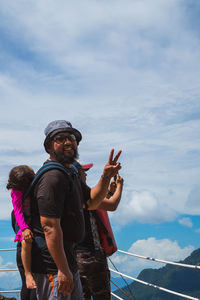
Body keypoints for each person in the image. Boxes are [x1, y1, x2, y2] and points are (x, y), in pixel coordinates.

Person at [30, 120, 122, 300]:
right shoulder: (52, 178)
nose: (68, 142)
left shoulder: (69, 174)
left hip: (68, 260)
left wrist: (105, 177)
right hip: (54, 266)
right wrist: (63, 270)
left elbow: (92, 202)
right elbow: (49, 227)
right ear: (49, 146)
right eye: (60, 138)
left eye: (71, 137)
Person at [74, 161, 124, 300]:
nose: (85, 174)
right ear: (77, 175)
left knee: (81, 295)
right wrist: (120, 187)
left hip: (75, 257)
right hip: (92, 255)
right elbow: (112, 205)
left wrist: (108, 192)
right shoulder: (83, 195)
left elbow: (95, 207)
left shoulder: (70, 196)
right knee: (101, 295)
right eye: (83, 172)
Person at [7, 165, 37, 296]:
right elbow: (18, 210)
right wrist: (24, 228)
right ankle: (28, 273)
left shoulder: (34, 187)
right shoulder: (16, 191)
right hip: (23, 223)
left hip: (33, 222)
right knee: (25, 242)